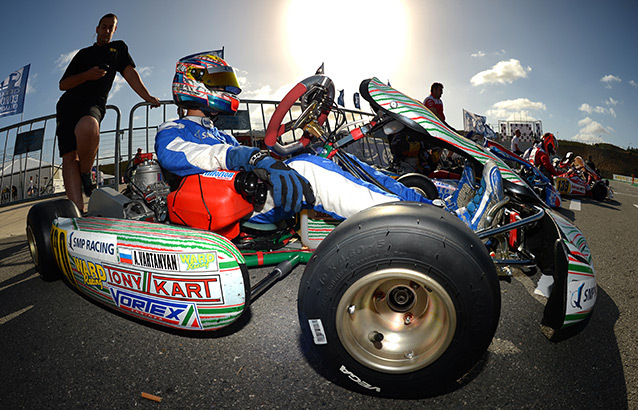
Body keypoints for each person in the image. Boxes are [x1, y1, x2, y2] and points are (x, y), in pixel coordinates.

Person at [154, 52, 504, 231]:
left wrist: (275, 151)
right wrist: (251, 158)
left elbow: (252, 151)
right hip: (238, 202)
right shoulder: (173, 131)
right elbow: (188, 157)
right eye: (218, 81)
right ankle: (435, 229)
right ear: (193, 84)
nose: (227, 88)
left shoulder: (221, 132)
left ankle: (438, 210)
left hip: (253, 191)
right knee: (307, 169)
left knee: (330, 159)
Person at [56, 13, 160, 213]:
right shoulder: (82, 54)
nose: (106, 30)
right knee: (69, 157)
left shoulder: (118, 48)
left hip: (93, 103)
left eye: (110, 27)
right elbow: (63, 84)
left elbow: (130, 73)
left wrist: (147, 97)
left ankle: (86, 172)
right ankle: (78, 213)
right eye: (103, 26)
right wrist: (87, 75)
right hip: (68, 106)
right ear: (97, 29)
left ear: (114, 30)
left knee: (88, 127)